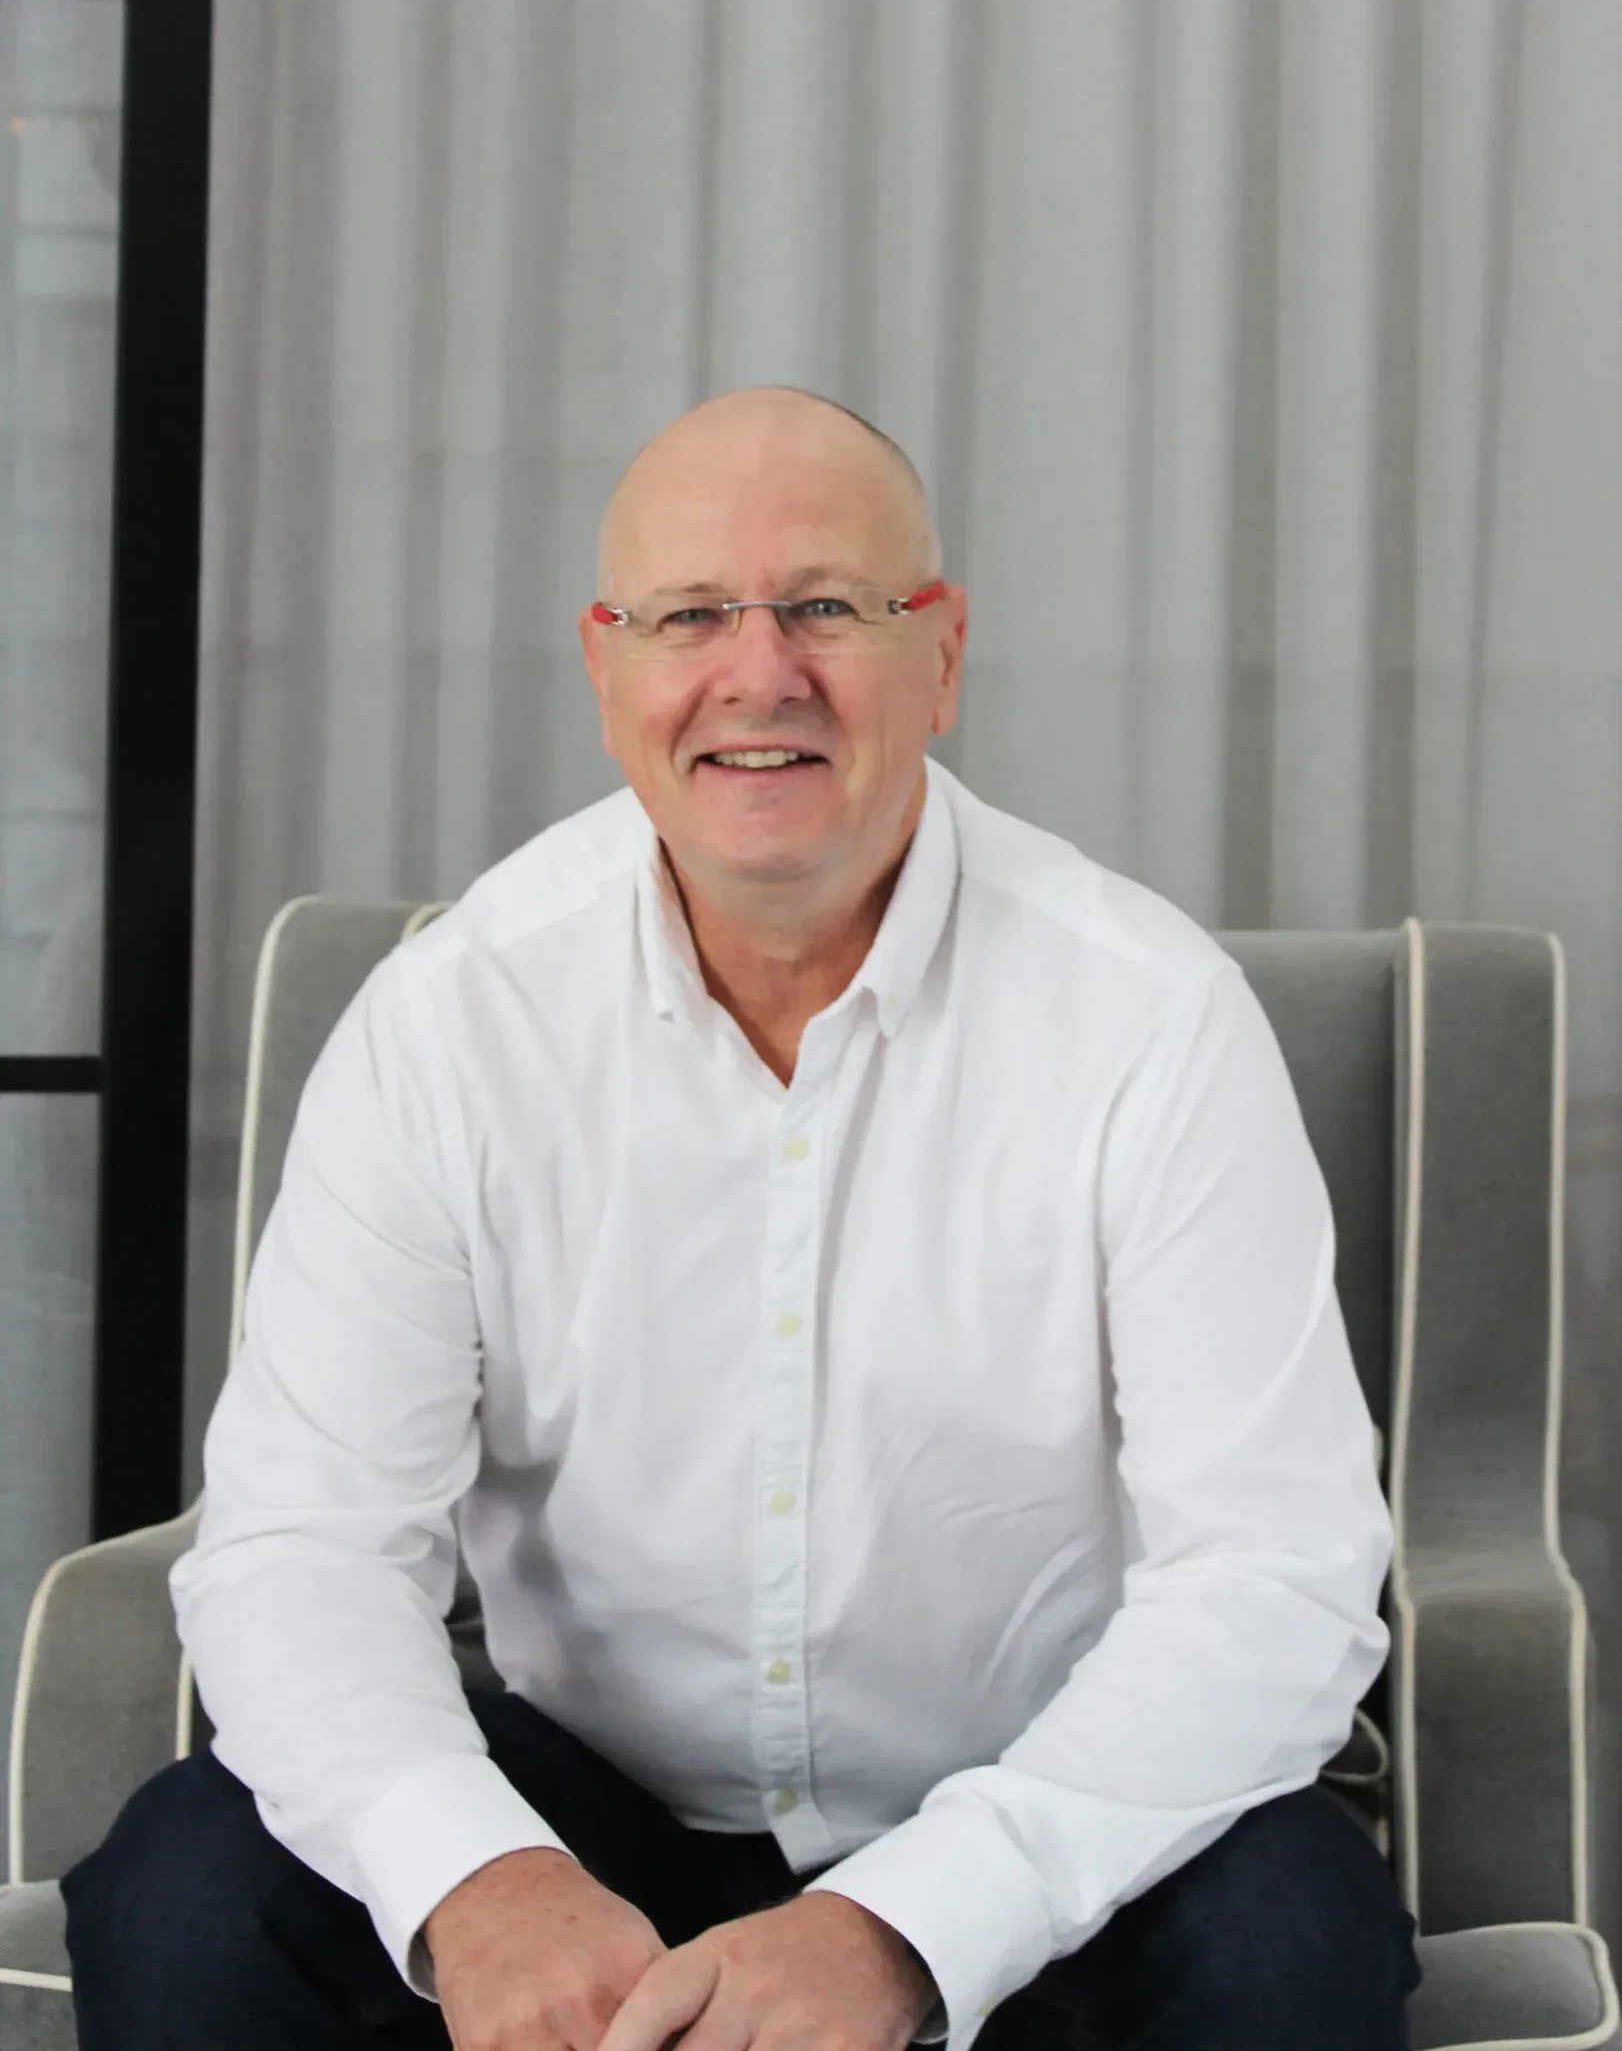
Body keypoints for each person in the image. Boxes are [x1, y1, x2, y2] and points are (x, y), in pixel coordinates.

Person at [63, 387, 1419, 2049]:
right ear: (605, 663)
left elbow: (1271, 1576)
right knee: (186, 1896)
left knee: (1292, 1948)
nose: (757, 673)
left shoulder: (1152, 1021)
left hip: (1032, 1805)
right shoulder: (450, 1024)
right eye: (690, 613)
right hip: (593, 1809)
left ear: (944, 651)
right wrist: (478, 1878)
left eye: (829, 608)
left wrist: (903, 1930)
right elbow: (304, 1546)